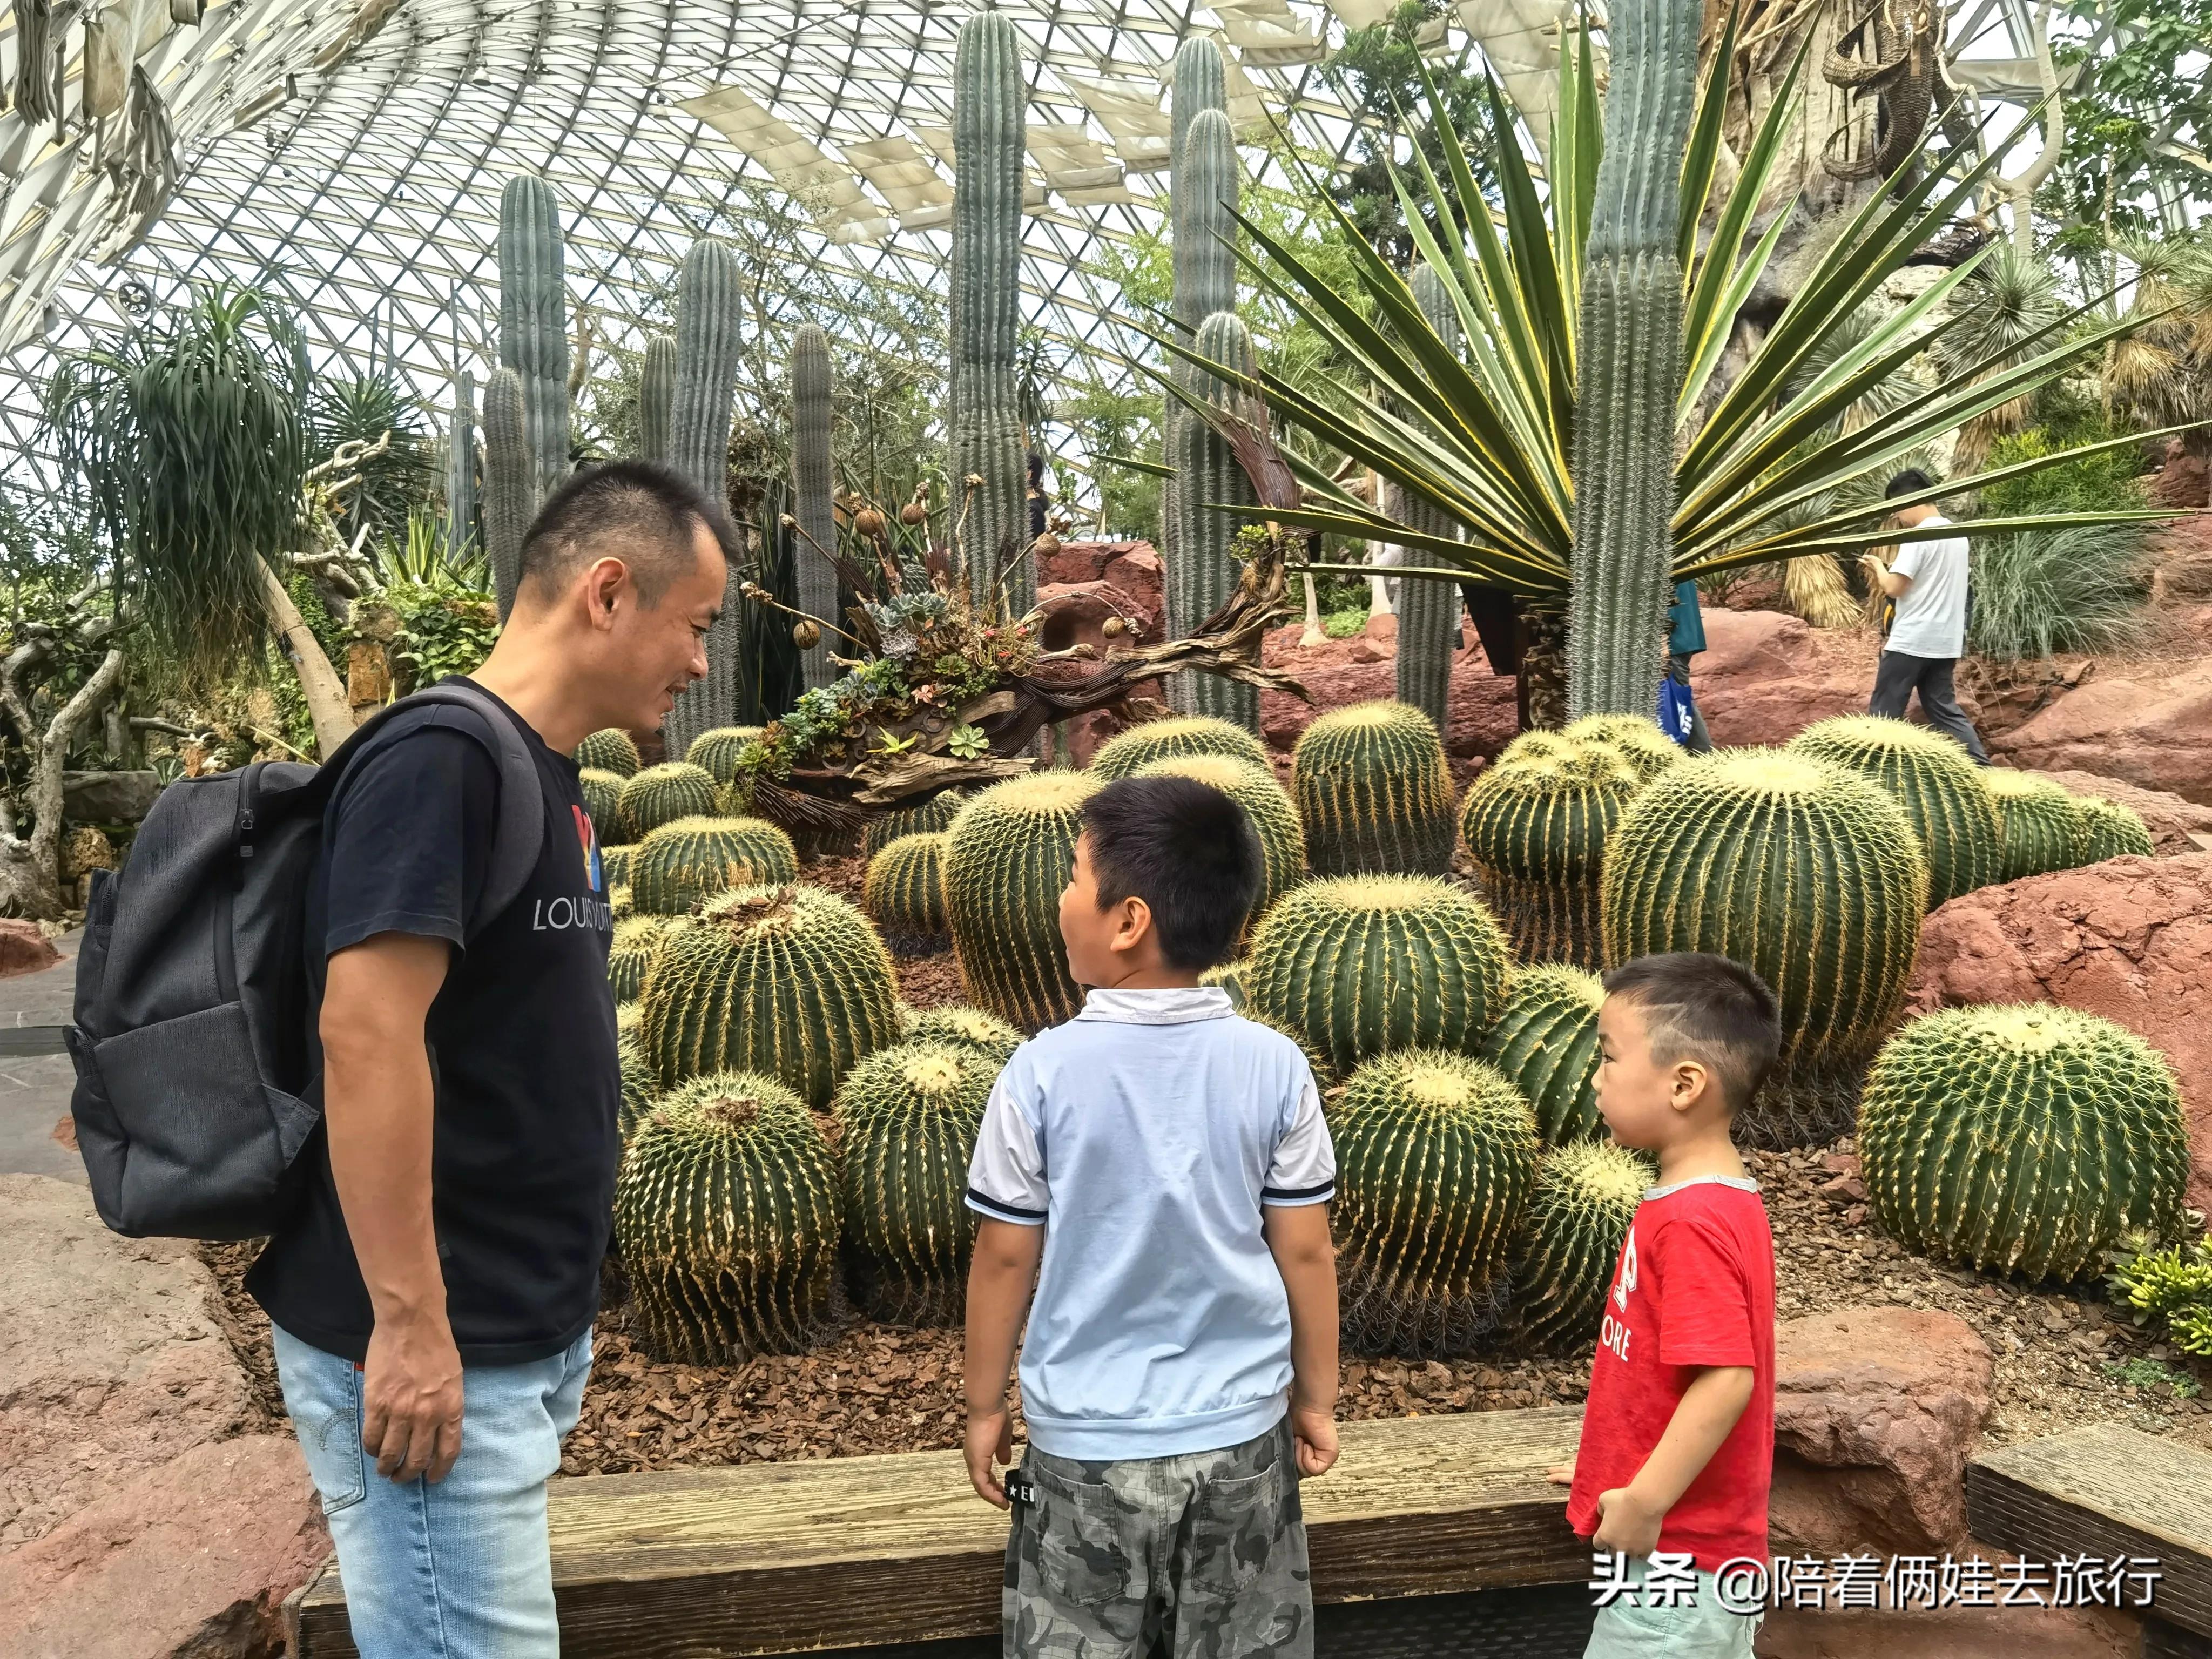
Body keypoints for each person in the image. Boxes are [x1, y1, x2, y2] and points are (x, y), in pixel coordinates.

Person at [246, 461, 733, 1658]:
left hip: (511, 1334)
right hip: (436, 1353)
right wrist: (411, 1327)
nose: (700, 661)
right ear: (608, 593)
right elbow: (365, 1034)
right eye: (697, 625)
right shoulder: (442, 759)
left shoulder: (538, 768)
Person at [962, 774, 1341, 1658]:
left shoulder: (1040, 1071)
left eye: (1073, 878)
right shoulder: (1274, 1065)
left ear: (1127, 920)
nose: (1061, 900)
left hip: (1079, 1458)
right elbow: (1307, 1251)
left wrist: (984, 1406)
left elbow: (1004, 1257)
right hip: (1243, 1443)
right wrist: (1316, 1397)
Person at [1545, 953, 1782, 1658]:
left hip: (1677, 1567)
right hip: (1689, 1563)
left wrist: (1646, 1499)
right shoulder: (1714, 1200)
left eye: (1609, 1057)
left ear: (1684, 1085)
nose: (1596, 1077)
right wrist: (1614, 1467)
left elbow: (1726, 1379)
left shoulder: (1690, 1221)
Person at [1859, 470, 1990, 763]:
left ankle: (1872, 774)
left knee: (1884, 713)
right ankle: (1982, 768)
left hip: (1912, 640)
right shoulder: (1957, 535)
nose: (1897, 517)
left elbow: (1894, 588)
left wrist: (1878, 567)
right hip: (1945, 642)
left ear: (1908, 502)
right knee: (1944, 710)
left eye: (1896, 509)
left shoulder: (1918, 536)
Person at [1662, 578, 1713, 753]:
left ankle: (1703, 755)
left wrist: (1663, 637)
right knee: (1677, 697)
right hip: (1679, 638)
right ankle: (1703, 755)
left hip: (1671, 641)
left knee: (1676, 699)